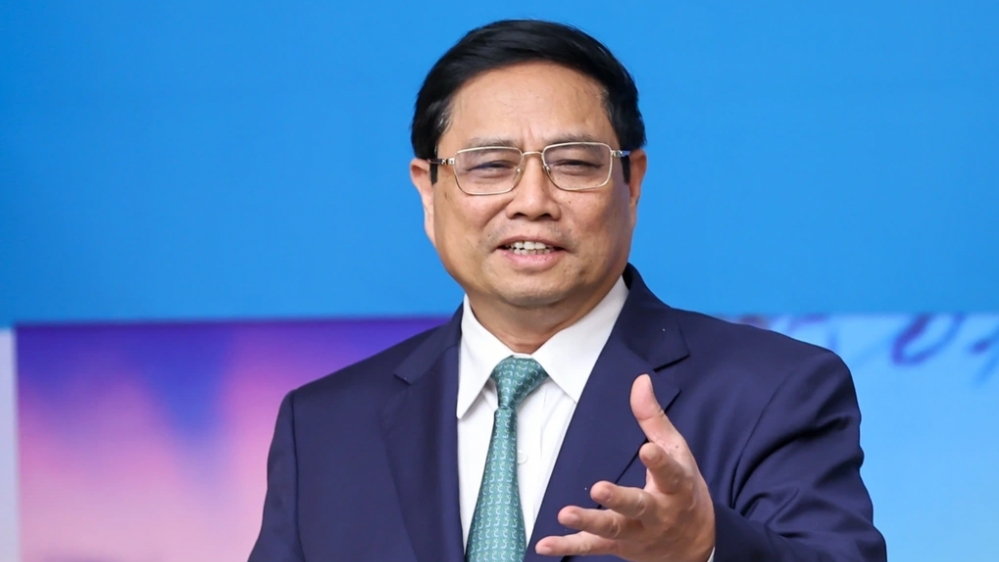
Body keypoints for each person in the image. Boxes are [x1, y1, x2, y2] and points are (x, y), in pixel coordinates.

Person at [249, 19, 886, 562]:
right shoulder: (324, 427)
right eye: (490, 165)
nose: (532, 201)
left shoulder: (773, 392)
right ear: (428, 190)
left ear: (632, 183)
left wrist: (705, 546)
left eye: (575, 164)